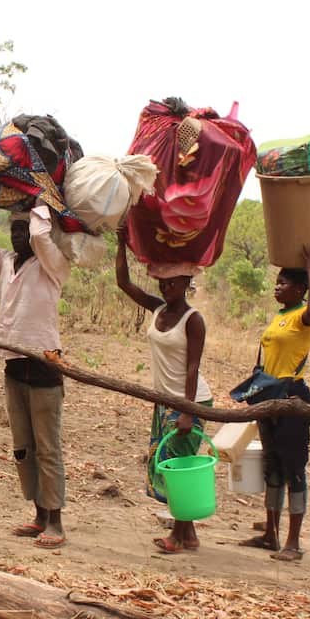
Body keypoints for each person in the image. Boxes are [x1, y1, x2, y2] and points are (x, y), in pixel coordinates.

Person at [0, 169, 72, 548]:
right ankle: (39, 515)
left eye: (23, 230)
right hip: (13, 365)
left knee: (48, 445)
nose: (19, 236)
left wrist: (39, 193)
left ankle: (56, 521)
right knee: (24, 445)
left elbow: (41, 234)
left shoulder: (52, 263)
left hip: (43, 366)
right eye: (14, 231)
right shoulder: (6, 261)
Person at [115, 230, 212, 554]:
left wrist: (187, 411)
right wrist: (120, 244)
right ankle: (189, 535)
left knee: (178, 465)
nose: (166, 287)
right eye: (162, 282)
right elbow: (125, 284)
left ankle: (177, 536)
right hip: (165, 400)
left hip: (190, 400)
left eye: (173, 282)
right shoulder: (157, 308)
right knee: (173, 465)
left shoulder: (192, 320)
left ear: (187, 283)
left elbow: (192, 368)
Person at [239, 245, 310, 562]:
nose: (277, 286)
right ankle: (270, 535)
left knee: (294, 469)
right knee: (272, 468)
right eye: (277, 282)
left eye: (284, 283)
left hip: (292, 398)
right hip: (269, 396)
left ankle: (293, 542)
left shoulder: (303, 316)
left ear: (300, 289)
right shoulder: (280, 317)